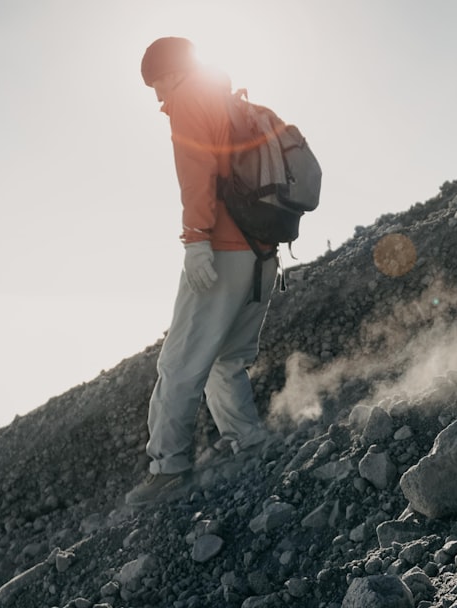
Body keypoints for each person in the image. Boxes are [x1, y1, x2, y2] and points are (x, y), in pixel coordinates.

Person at [125, 37, 278, 506]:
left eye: (157, 87)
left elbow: (195, 173)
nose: (159, 101)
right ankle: (248, 440)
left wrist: (196, 241)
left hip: (223, 250)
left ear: (172, 74)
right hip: (264, 254)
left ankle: (169, 469)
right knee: (226, 359)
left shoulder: (191, 100)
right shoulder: (239, 105)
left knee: (179, 363)